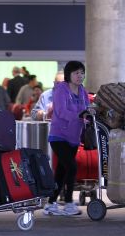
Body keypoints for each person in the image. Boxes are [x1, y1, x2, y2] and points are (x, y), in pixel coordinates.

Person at [43, 61, 89, 216]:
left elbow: (86, 110)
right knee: (72, 167)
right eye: (76, 73)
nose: (80, 76)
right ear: (69, 74)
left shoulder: (83, 91)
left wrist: (87, 116)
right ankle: (69, 203)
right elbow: (61, 111)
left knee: (61, 172)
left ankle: (50, 204)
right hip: (58, 136)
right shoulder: (61, 90)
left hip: (74, 137)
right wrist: (79, 116)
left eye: (82, 73)